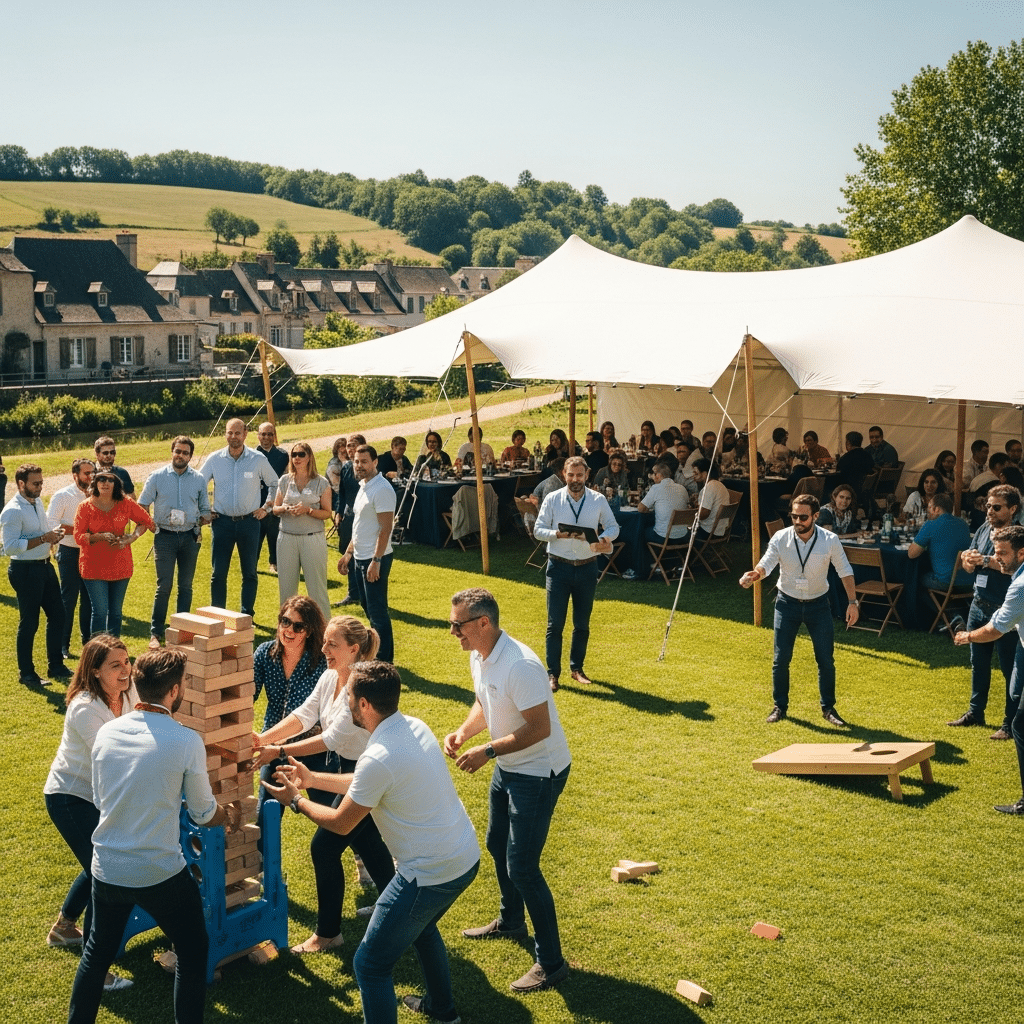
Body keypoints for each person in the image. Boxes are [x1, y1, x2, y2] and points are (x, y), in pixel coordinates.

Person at [262, 661, 480, 1024]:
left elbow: (341, 822)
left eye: (349, 695)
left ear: (364, 704)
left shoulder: (379, 755)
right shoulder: (413, 727)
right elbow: (367, 782)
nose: (345, 700)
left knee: (370, 965)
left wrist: (296, 800)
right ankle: (443, 1012)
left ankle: (443, 1011)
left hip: (429, 874)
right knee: (423, 929)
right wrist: (312, 778)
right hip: (464, 858)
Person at [67, 648, 240, 1024]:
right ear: (175, 691)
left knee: (96, 954)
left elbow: (100, 797)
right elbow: (203, 812)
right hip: (159, 872)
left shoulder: (107, 732)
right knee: (192, 950)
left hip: (106, 869)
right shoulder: (185, 741)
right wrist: (228, 815)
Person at [444, 588, 571, 993]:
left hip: (538, 772)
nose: (453, 632)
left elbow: (539, 728)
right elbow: (486, 702)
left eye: (457, 625)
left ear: (483, 623)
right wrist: (464, 733)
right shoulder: (478, 655)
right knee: (497, 843)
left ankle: (551, 963)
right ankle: (512, 920)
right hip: (510, 766)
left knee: (523, 867)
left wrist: (487, 751)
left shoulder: (521, 665)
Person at [254, 614, 396, 953]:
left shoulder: (359, 688)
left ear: (354, 649)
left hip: (365, 770)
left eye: (332, 644)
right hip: (346, 766)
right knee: (369, 843)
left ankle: (329, 934)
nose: (324, 649)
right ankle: (394, 907)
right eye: (325, 642)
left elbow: (330, 739)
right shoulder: (330, 675)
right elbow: (304, 715)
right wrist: (263, 740)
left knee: (325, 847)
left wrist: (279, 751)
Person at [43, 635, 137, 991]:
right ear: (95, 671)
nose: (125, 670)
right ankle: (97, 971)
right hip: (70, 797)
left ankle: (64, 928)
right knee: (104, 874)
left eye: (127, 662)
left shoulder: (128, 692)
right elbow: (110, 761)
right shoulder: (85, 708)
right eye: (115, 665)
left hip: (102, 794)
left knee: (97, 860)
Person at [740, 495, 859, 725]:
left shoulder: (830, 540)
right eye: (793, 516)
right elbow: (767, 562)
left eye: (803, 517)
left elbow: (845, 570)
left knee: (825, 659)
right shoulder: (781, 537)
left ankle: (828, 708)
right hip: (787, 603)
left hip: (818, 605)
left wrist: (852, 602)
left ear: (815, 516)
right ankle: (779, 706)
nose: (797, 521)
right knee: (781, 659)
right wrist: (755, 574)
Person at [952, 526, 1024, 814]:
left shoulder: (1019, 586)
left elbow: (995, 629)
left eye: (1002, 553)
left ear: (1022, 553)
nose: (997, 559)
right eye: (995, 552)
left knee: (1020, 725)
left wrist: (967, 636)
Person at [534, 455, 619, 689]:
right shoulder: (553, 499)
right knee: (554, 624)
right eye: (570, 475)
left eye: (579, 475)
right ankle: (552, 674)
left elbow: (613, 527)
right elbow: (538, 530)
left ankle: (577, 669)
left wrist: (604, 538)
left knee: (582, 624)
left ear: (587, 475)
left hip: (587, 567)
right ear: (564, 474)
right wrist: (556, 534)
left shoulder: (598, 499)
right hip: (558, 567)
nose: (575, 480)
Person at [947, 485, 1022, 737]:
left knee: (1009, 669)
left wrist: (986, 561)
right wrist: (967, 561)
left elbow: (1015, 567)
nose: (990, 511)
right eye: (988, 506)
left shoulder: (1018, 536)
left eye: (996, 507)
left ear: (1012, 509)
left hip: (1006, 610)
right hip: (979, 605)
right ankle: (975, 712)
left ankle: (1009, 723)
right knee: (978, 663)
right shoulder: (982, 529)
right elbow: (968, 565)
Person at [253, 597, 332, 813]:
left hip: (312, 747)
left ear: (309, 631)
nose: (289, 630)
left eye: (298, 626)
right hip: (272, 746)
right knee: (266, 813)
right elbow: (247, 694)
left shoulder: (322, 663)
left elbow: (319, 713)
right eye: (285, 621)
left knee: (330, 812)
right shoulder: (265, 653)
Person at [138, 436, 211, 648]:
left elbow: (205, 508)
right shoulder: (157, 476)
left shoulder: (198, 479)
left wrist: (204, 518)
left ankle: (182, 631)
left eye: (185, 453)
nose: (181, 455)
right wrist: (150, 524)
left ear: (190, 456)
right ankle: (156, 633)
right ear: (172, 451)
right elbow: (143, 504)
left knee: (186, 587)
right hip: (165, 537)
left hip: (190, 537)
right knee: (164, 586)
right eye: (178, 451)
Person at [201, 418, 278, 617]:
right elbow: (198, 484)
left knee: (250, 573)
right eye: (230, 432)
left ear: (245, 434)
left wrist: (266, 508)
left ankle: (246, 616)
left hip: (249, 523)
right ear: (225, 434)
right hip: (222, 523)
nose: (233, 436)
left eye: (237, 433)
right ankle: (217, 616)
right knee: (218, 573)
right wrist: (204, 510)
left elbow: (275, 483)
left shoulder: (257, 459)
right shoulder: (215, 459)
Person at [2, 464, 68, 686]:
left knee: (58, 615)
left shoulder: (36, 501)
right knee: (29, 622)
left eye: (41, 482)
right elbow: (10, 547)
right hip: (25, 570)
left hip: (44, 566)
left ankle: (56, 666)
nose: (40, 487)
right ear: (21, 484)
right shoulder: (12, 511)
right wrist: (43, 539)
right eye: (35, 483)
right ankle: (27, 673)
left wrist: (52, 536)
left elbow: (39, 533)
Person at [74, 471, 155, 638]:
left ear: (115, 484)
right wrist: (99, 537)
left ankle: (113, 649)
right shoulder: (85, 507)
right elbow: (78, 537)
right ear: (95, 483)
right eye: (101, 479)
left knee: (116, 613)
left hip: (120, 565)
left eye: (110, 480)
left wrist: (132, 537)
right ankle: (97, 650)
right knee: (100, 612)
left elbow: (146, 521)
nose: (105, 482)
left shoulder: (125, 503)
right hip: (93, 566)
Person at [339, 445, 396, 663]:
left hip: (375, 558)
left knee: (377, 611)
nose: (359, 465)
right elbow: (360, 525)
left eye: (364, 461)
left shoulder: (382, 489)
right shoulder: (363, 486)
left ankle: (383, 662)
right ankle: (376, 655)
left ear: (375, 462)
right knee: (367, 607)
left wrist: (376, 560)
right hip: (360, 557)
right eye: (356, 461)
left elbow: (385, 529)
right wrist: (348, 553)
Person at [273, 441, 333, 619]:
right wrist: (285, 508)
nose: (297, 458)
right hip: (286, 538)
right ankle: (286, 627)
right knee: (286, 590)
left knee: (317, 589)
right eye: (294, 454)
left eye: (301, 454)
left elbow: (327, 513)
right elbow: (275, 508)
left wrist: (308, 510)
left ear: (309, 457)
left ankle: (324, 628)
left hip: (312, 538)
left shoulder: (321, 482)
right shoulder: (284, 480)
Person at [48, 458, 95, 660]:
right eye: (87, 473)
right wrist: (80, 530)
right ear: (75, 475)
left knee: (90, 599)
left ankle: (89, 644)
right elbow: (51, 524)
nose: (91, 477)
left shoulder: (98, 495)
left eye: (93, 472)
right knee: (68, 599)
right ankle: (62, 646)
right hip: (69, 552)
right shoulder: (62, 496)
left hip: (92, 552)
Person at [908, 492, 972, 591]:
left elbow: (912, 554)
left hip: (946, 582)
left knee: (914, 578)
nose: (928, 510)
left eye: (930, 507)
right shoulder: (963, 524)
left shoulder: (930, 524)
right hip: (969, 581)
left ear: (937, 509)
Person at [255, 422, 290, 574]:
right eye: (263, 434)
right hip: (256, 502)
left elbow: (286, 478)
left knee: (274, 534)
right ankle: (251, 563)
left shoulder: (282, 455)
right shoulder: (251, 454)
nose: (266, 437)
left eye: (270, 434)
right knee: (255, 535)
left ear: (274, 436)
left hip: (276, 501)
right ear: (258, 436)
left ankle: (274, 563)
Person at [335, 434, 366, 608]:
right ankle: (353, 593)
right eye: (348, 445)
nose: (350, 449)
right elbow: (342, 492)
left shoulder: (366, 468)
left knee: (360, 554)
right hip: (348, 515)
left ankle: (363, 592)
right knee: (347, 554)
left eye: (353, 445)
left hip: (363, 516)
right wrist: (339, 513)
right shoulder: (346, 467)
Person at [638, 462, 690, 546]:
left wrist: (648, 509)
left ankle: (647, 554)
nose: (652, 477)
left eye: (653, 474)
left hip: (663, 537)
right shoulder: (682, 488)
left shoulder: (656, 488)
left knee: (640, 531)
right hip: (683, 536)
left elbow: (640, 508)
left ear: (658, 475)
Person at [693, 458, 729, 539]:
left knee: (682, 530)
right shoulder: (720, 485)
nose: (693, 475)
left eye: (696, 473)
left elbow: (705, 513)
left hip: (708, 531)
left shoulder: (709, 487)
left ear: (705, 474)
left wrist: (691, 515)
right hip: (720, 529)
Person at [836, 431, 874, 503]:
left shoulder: (845, 458)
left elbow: (839, 472)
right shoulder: (868, 456)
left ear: (848, 443)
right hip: (865, 492)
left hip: (849, 491)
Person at [325, 437, 348, 510]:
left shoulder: (351, 461)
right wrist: (344, 462)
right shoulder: (334, 466)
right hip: (338, 497)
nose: (344, 454)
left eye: (346, 451)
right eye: (341, 452)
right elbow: (339, 487)